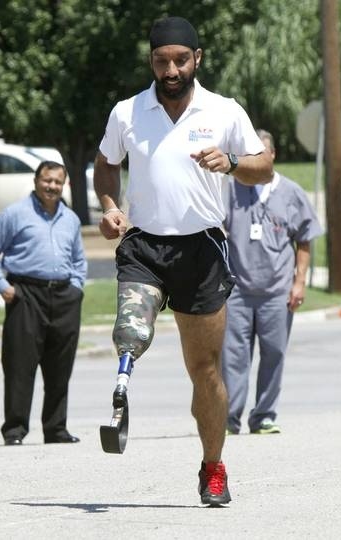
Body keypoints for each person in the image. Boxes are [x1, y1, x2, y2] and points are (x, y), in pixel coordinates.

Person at [94, 15, 273, 506]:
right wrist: (110, 208)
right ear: (151, 62)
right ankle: (121, 390)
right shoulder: (128, 112)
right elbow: (106, 165)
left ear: (197, 59)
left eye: (179, 59)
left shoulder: (224, 110)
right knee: (132, 330)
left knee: (205, 369)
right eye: (160, 60)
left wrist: (232, 164)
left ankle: (213, 467)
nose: (170, 69)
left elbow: (263, 166)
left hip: (202, 250)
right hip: (144, 246)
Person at [0, 160, 87, 446]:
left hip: (64, 296)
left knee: (60, 366)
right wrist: (2, 286)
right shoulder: (14, 214)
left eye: (57, 182)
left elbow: (78, 260)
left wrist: (76, 288)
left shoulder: (70, 219)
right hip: (25, 295)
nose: (52, 186)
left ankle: (56, 428)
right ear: (36, 181)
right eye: (47, 180)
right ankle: (15, 430)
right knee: (19, 365)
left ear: (64, 185)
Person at [221, 129, 323, 436]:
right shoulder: (230, 189)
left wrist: (299, 282)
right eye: (249, 155)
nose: (254, 160)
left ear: (272, 155)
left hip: (277, 290)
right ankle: (229, 417)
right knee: (233, 356)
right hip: (237, 290)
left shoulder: (291, 193)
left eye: (260, 154)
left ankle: (263, 415)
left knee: (274, 352)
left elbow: (304, 240)